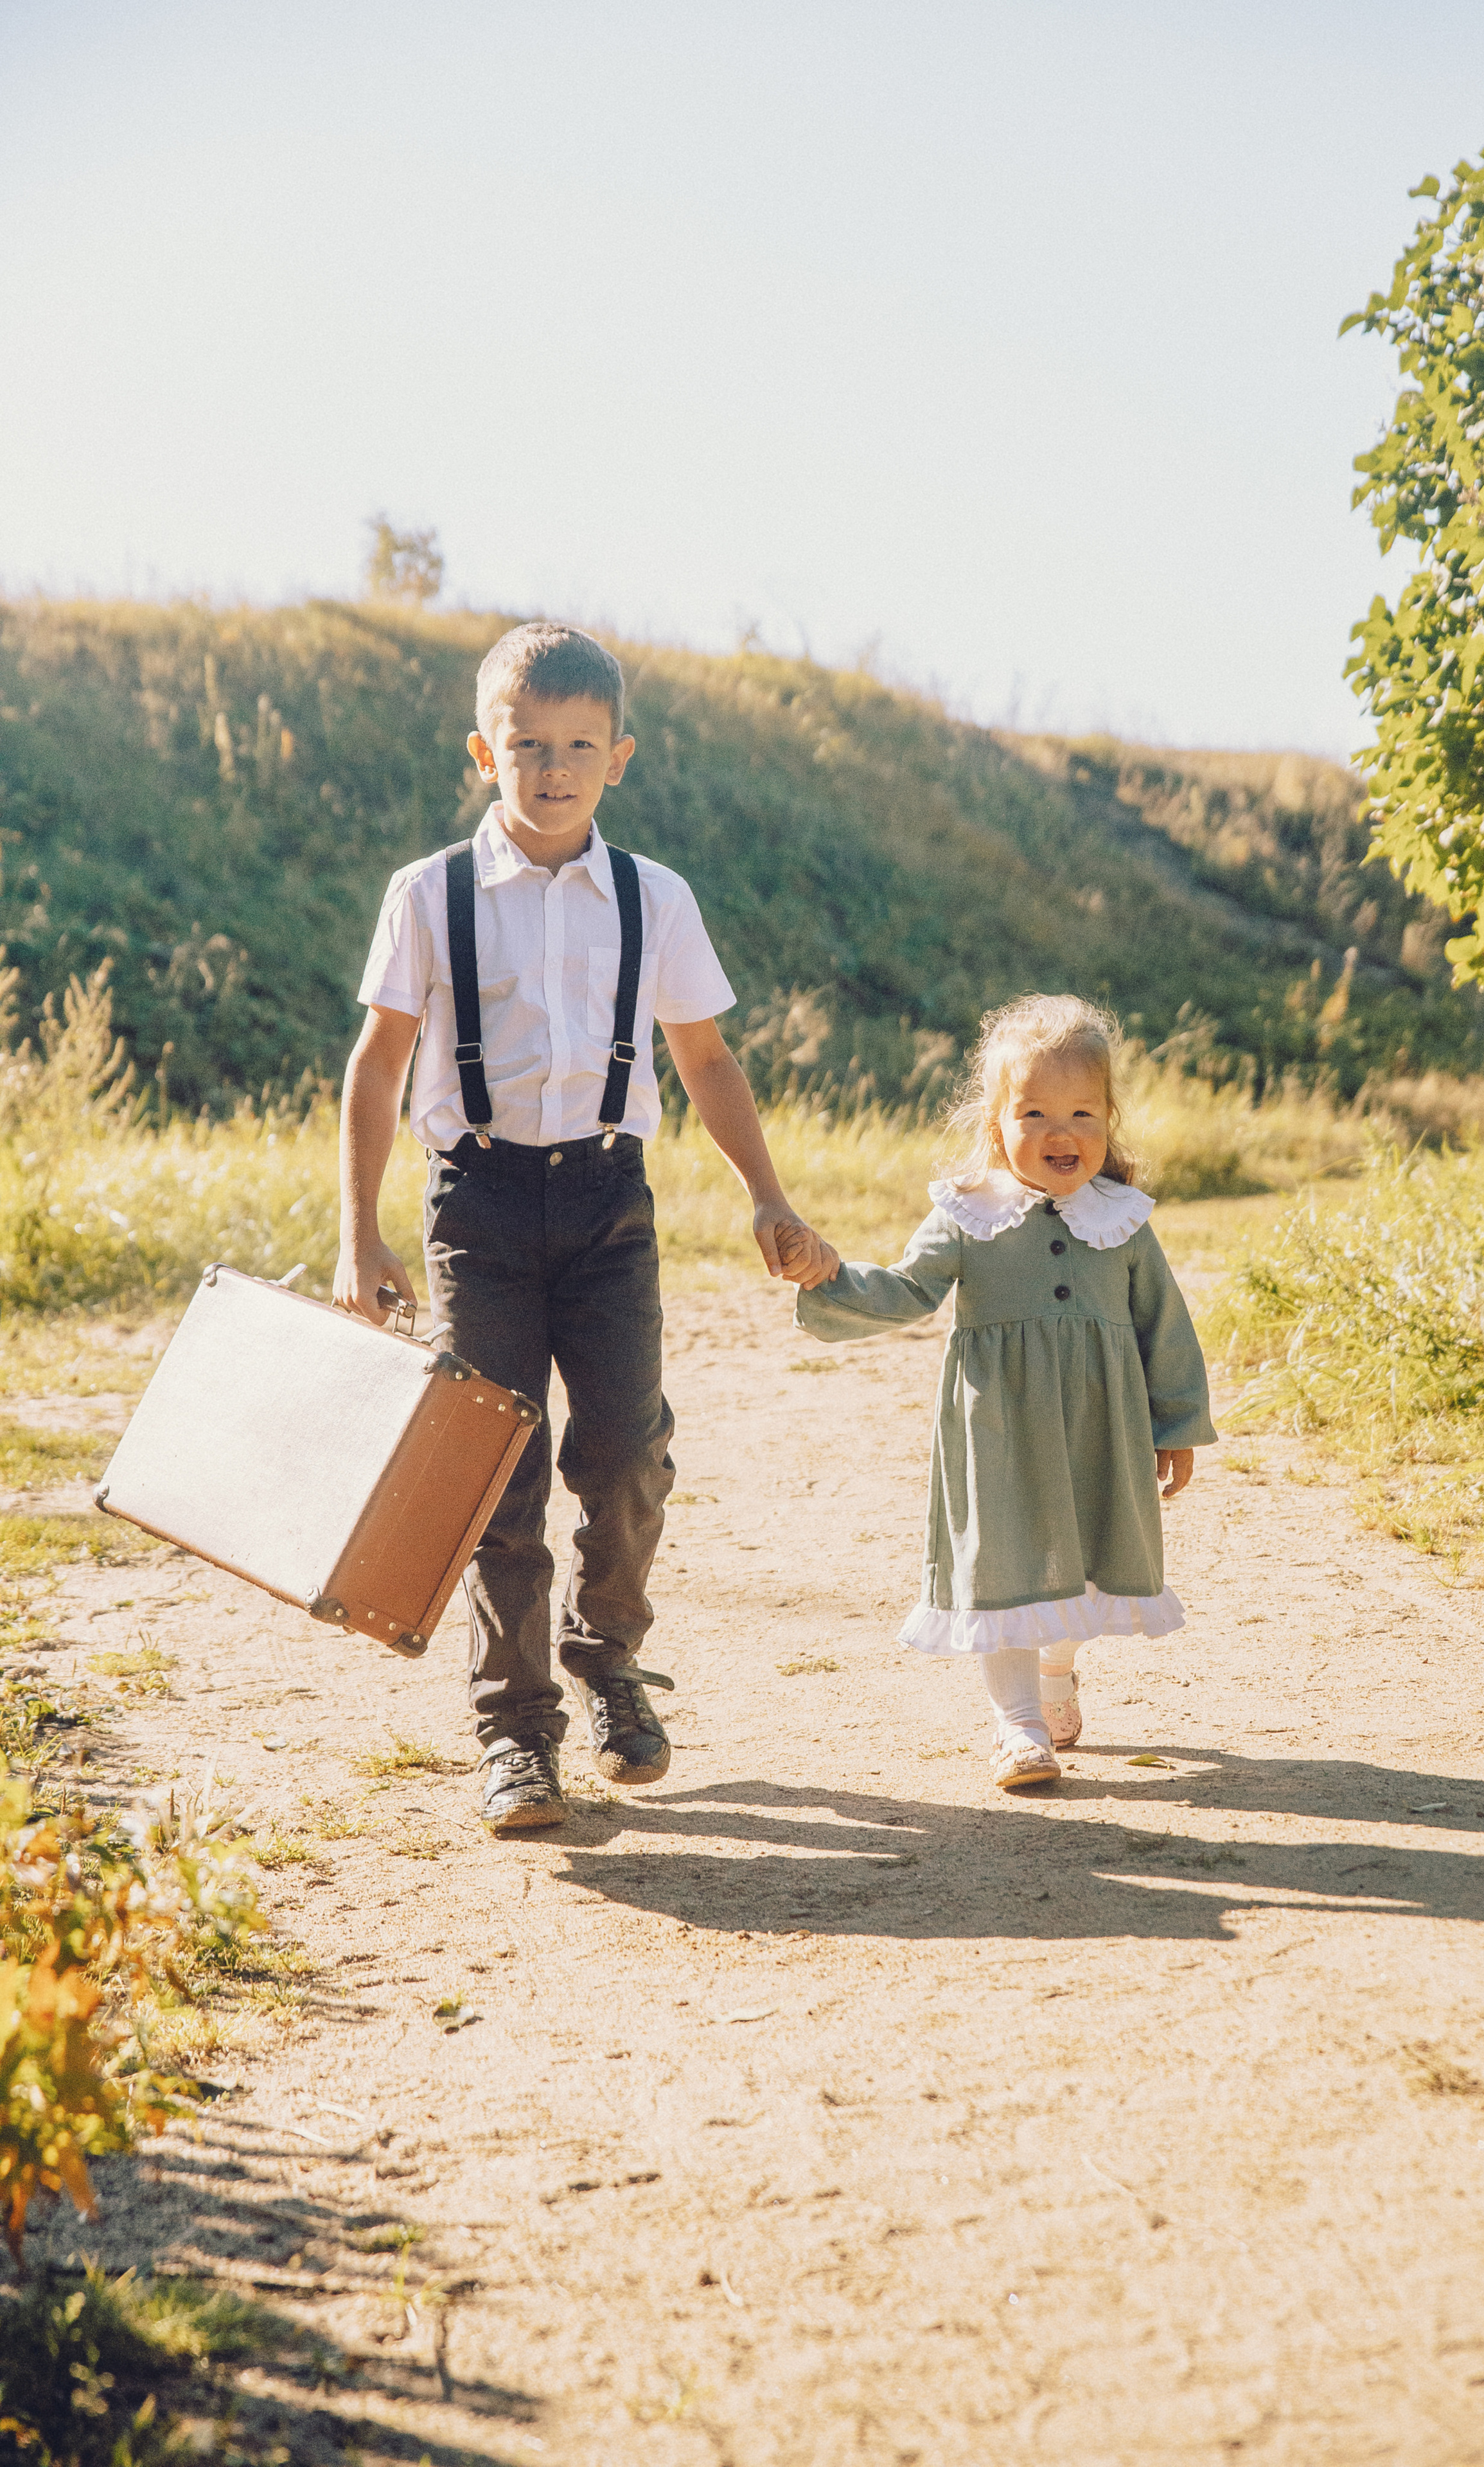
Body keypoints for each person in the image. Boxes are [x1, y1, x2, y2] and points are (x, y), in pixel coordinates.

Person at [333, 622, 831, 1833]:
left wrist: (767, 1192)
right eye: (528, 745)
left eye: (578, 746)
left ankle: (607, 1661)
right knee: (494, 1471)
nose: (552, 768)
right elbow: (377, 1066)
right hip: (479, 1204)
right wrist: (361, 1233)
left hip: (611, 1202)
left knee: (624, 1453)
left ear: (621, 759)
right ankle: (516, 1731)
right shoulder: (430, 894)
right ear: (483, 750)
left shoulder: (654, 899)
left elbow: (704, 1058)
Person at [794, 993, 1215, 1789]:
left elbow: (1165, 1325)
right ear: (997, 1127)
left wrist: (1179, 1422)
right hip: (998, 1434)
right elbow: (906, 1291)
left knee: (1086, 1568)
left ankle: (1055, 1673)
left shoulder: (1121, 1221)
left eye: (1083, 1113)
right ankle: (1019, 1726)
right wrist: (829, 1279)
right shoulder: (968, 1217)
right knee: (1006, 1569)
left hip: (1099, 1431)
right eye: (1035, 1113)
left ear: (1107, 1122)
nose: (1062, 1133)